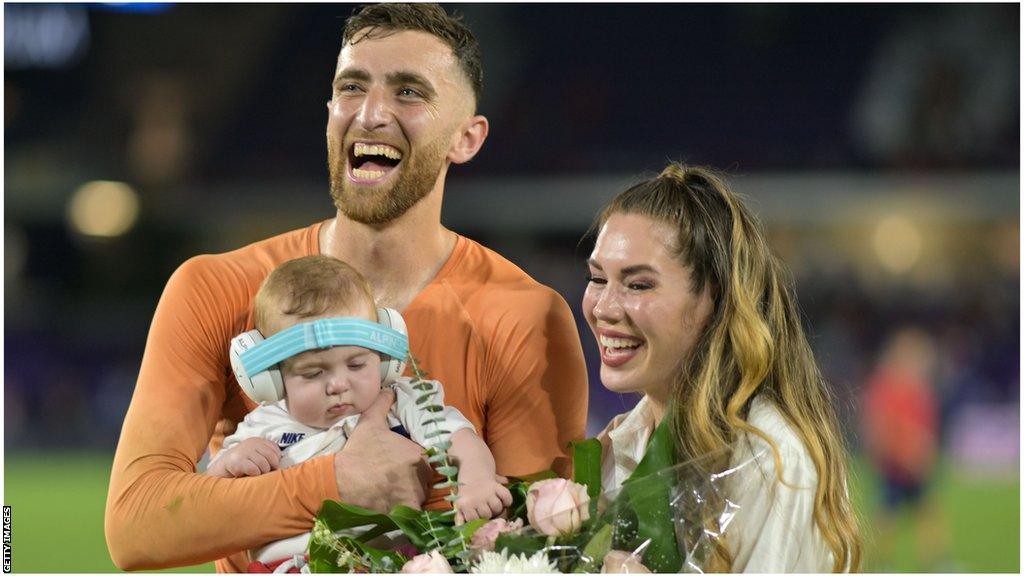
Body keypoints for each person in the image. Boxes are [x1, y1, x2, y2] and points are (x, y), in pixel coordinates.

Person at [104, 4, 588, 571]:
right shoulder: (214, 287)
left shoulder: (524, 316)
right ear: (330, 110)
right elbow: (136, 527)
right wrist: (336, 479)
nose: (372, 113)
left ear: (466, 138)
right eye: (352, 87)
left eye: (409, 92)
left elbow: (532, 549)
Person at [584, 163, 862, 572]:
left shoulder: (769, 456)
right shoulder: (623, 442)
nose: (604, 308)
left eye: (638, 284)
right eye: (597, 278)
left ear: (713, 298)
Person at [208, 255, 511, 570]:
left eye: (356, 364)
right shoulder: (264, 424)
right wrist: (231, 463)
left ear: (384, 360)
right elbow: (214, 500)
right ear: (269, 380)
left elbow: (461, 439)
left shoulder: (401, 401)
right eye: (313, 373)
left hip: (392, 562)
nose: (338, 384)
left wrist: (476, 480)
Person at [861, 326, 951, 570]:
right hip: (897, 463)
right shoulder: (890, 388)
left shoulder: (918, 389)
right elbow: (882, 427)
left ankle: (935, 562)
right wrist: (898, 453)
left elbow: (925, 427)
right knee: (887, 515)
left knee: (926, 511)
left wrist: (924, 452)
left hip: (914, 463)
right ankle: (881, 563)